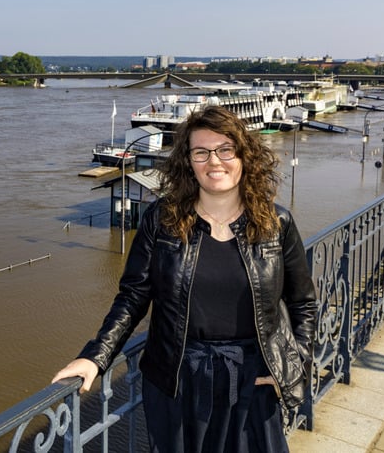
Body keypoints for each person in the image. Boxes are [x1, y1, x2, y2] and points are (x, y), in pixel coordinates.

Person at [52, 105, 317, 452]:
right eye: (201, 152)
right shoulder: (162, 221)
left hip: (254, 379)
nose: (215, 161)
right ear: (188, 162)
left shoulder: (276, 225)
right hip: (177, 378)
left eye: (226, 149)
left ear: (243, 156)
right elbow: (133, 297)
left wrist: (293, 361)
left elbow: (303, 304)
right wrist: (96, 356)